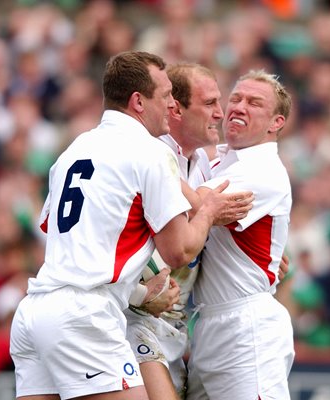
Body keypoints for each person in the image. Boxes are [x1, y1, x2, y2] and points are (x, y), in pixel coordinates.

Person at [8, 51, 251, 400]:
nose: (171, 105)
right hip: (85, 315)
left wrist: (136, 292)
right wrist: (209, 211)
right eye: (165, 95)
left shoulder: (74, 149)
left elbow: (65, 236)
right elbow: (179, 250)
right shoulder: (149, 152)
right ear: (138, 101)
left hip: (35, 311)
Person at [186, 69, 295, 400]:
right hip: (209, 322)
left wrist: (150, 161)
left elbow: (193, 206)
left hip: (247, 327)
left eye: (254, 102)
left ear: (276, 123)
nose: (239, 107)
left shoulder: (262, 169)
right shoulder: (219, 159)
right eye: (235, 98)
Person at [125, 62, 225, 400]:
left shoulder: (202, 165)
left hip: (175, 327)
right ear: (176, 109)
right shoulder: (153, 155)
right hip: (133, 320)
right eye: (210, 103)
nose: (220, 114)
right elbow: (179, 247)